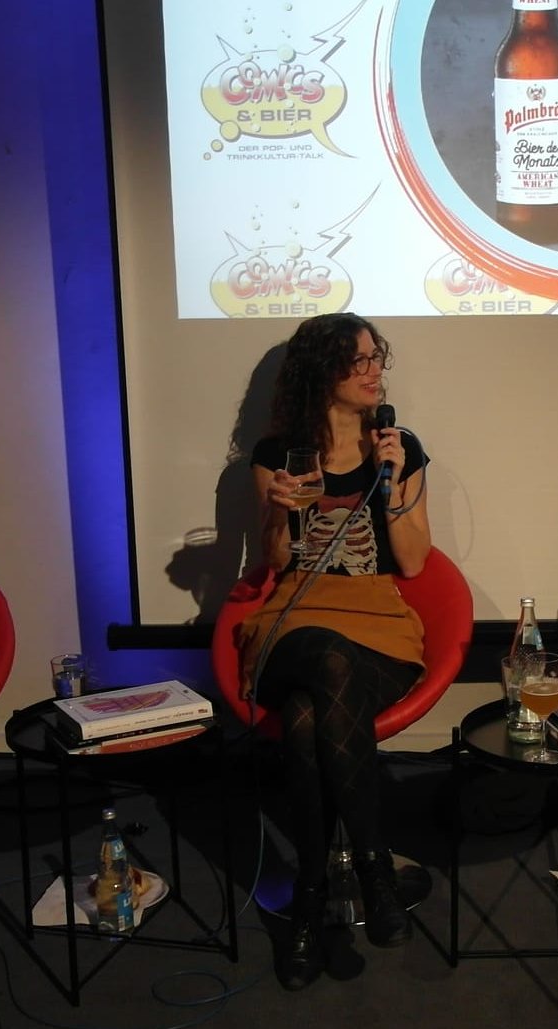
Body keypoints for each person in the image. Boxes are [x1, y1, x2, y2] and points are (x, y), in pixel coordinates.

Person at [236, 312, 431, 990]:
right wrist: (279, 509)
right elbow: (276, 562)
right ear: (323, 371)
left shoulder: (399, 445)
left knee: (305, 716)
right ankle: (375, 866)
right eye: (359, 360)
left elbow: (413, 562)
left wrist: (394, 481)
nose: (375, 371)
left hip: (376, 617)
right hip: (297, 613)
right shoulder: (278, 452)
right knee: (325, 656)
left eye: (378, 357)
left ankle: (310, 897)